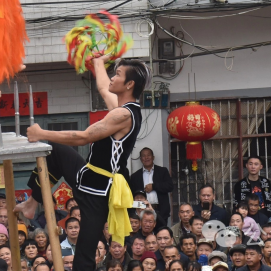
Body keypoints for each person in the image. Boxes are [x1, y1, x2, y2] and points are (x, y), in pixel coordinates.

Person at [18, 57, 148, 271]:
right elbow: (103, 87)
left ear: (130, 84)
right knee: (56, 152)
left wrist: (41, 133)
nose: (113, 77)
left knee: (84, 257)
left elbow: (83, 137)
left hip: (98, 193)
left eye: (118, 74)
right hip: (87, 176)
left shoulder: (123, 114)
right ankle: (32, 204)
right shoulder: (123, 108)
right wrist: (98, 61)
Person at [130, 148, 174, 226]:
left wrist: (153, 186)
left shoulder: (162, 171)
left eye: (148, 155)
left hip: (161, 211)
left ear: (153, 157)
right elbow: (132, 195)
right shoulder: (135, 176)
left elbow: (170, 186)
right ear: (140, 159)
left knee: (161, 233)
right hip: (142, 211)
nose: (146, 158)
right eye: (143, 156)